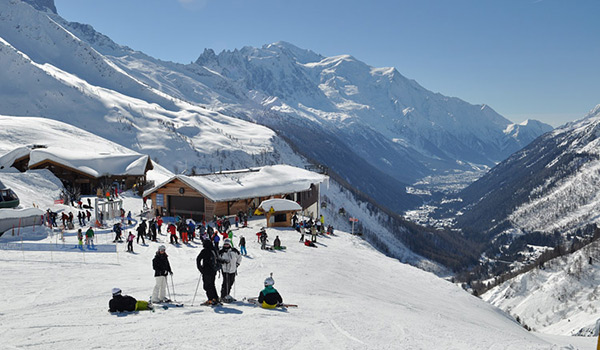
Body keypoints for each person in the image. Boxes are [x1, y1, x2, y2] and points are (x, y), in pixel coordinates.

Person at [196, 239, 222, 305]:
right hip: (213, 271)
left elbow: (198, 259)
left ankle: (210, 299)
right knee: (212, 285)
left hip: (206, 271)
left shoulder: (204, 251)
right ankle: (215, 298)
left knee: (207, 286)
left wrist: (201, 269)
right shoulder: (214, 250)